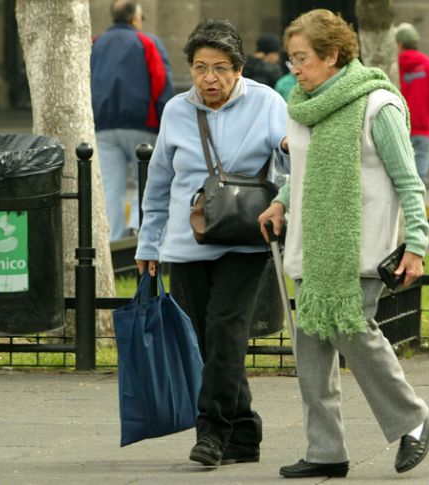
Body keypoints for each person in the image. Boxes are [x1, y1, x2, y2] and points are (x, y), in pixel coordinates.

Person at [257, 9, 429, 478]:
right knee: (311, 352)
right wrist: (281, 201)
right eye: (291, 58)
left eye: (302, 58)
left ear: (333, 55)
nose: (293, 67)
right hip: (311, 247)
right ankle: (325, 450)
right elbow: (305, 172)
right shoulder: (303, 104)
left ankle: (414, 420)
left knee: (354, 333)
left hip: (357, 248)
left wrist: (416, 244)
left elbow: (409, 181)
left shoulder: (378, 104)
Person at [135, 18, 288, 467]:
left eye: (220, 68)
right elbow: (159, 182)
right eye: (200, 68)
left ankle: (213, 433)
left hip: (246, 237)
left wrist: (287, 148)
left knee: (226, 332)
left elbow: (287, 159)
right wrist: (149, 243)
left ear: (239, 68)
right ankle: (245, 432)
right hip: (188, 243)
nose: (210, 79)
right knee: (207, 342)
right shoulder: (177, 110)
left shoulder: (266, 102)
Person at [91, 0, 175, 241]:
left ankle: (114, 240)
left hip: (103, 125)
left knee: (110, 186)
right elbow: (160, 83)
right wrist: (165, 121)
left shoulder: (95, 44)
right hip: (142, 124)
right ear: (135, 17)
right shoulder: (147, 42)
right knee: (147, 184)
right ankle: (141, 234)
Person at [395, 23, 429, 182]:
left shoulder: (393, 66)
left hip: (397, 127)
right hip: (422, 129)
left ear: (399, 44)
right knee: (419, 177)